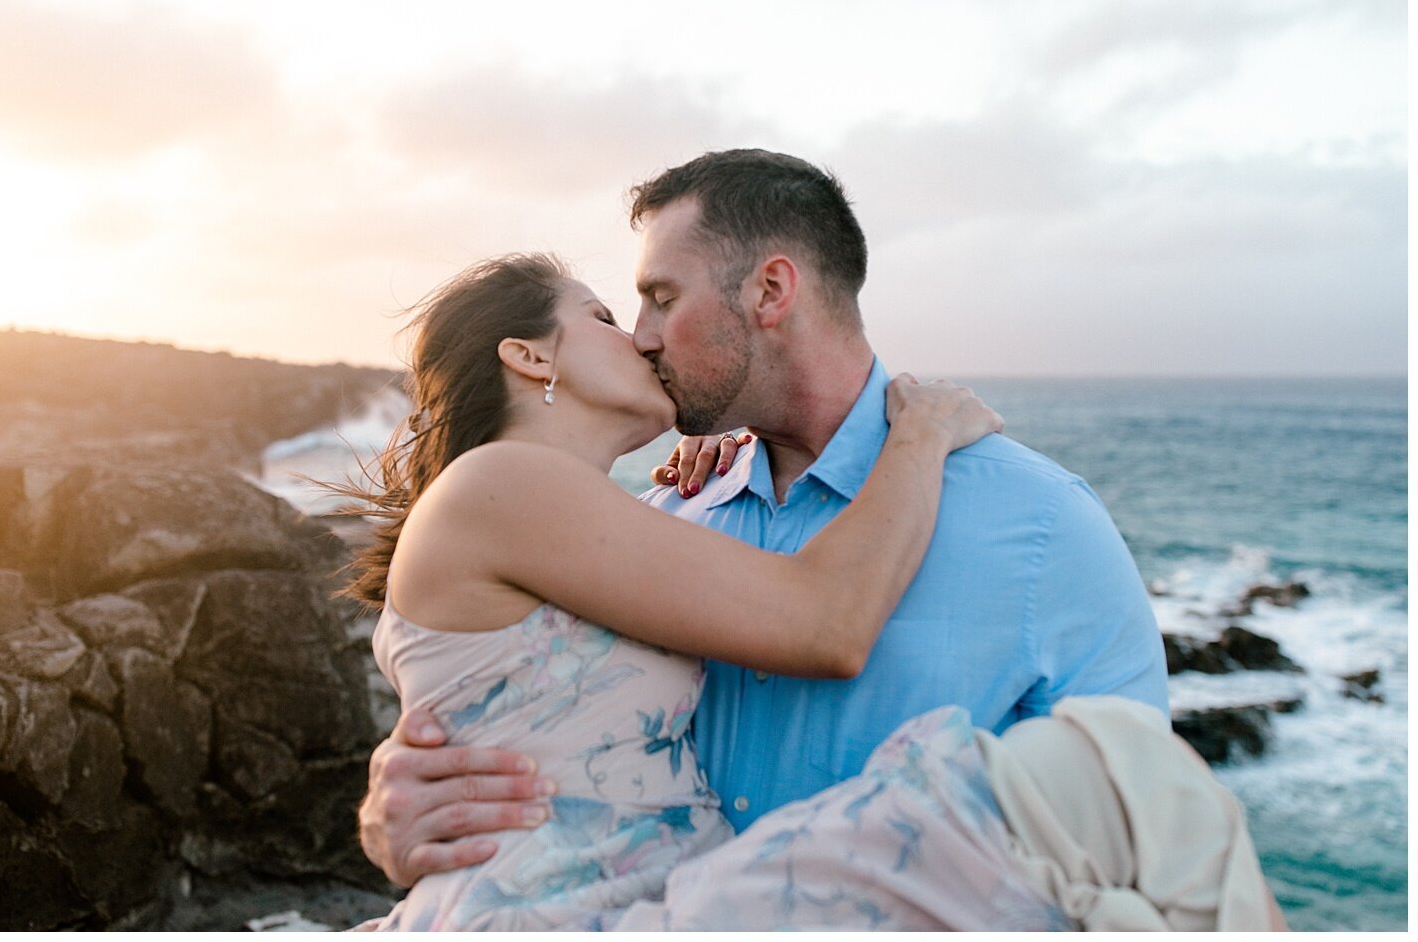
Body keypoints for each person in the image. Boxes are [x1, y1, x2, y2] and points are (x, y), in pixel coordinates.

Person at [341, 252, 1281, 931]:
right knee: (1114, 786)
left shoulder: (630, 517)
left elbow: (523, 695)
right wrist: (918, 436)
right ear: (531, 359)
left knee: (1114, 814)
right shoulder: (504, 485)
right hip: (578, 909)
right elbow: (825, 620)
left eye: (656, 299)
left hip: (641, 892)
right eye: (603, 314)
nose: (637, 334)